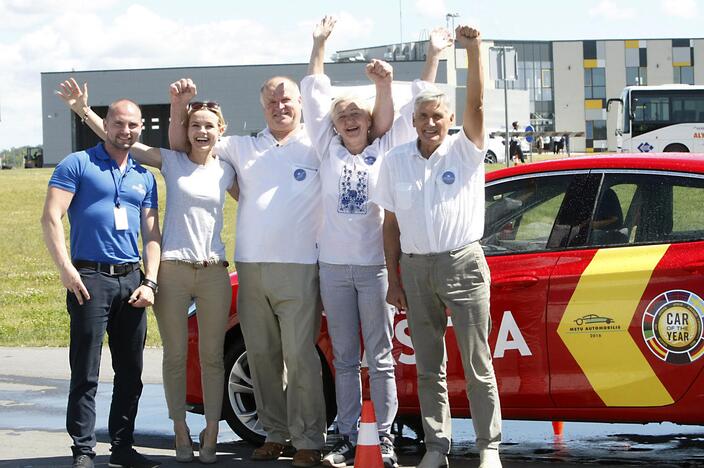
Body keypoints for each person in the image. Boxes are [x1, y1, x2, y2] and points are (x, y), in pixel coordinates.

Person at [56, 78, 238, 464]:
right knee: (171, 356)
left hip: (211, 270)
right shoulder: (168, 162)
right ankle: (178, 432)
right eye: (194, 125)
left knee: (211, 358)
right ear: (184, 132)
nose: (201, 131)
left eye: (209, 126)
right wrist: (82, 110)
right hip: (169, 269)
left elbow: (264, 199)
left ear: (220, 131)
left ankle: (209, 432)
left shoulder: (228, 169)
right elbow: (124, 139)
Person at [301, 16, 453, 468]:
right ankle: (348, 434)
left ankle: (381, 436)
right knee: (345, 358)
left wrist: (432, 57)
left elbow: (416, 105)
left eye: (356, 114)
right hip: (333, 268)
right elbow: (312, 94)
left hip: (374, 269)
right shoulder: (325, 149)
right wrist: (319, 43)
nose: (348, 118)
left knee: (381, 357)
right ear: (334, 126)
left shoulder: (385, 151)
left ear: (370, 123)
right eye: (341, 115)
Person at [169, 78, 325, 467]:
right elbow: (183, 143)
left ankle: (309, 438)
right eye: (271, 100)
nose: (279, 106)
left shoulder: (318, 143)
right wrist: (182, 105)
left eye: (286, 99)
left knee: (301, 357)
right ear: (262, 106)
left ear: (300, 102)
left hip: (301, 265)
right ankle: (276, 433)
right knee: (262, 355)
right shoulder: (241, 146)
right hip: (251, 267)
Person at [374, 25, 503, 468]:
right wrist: (394, 278)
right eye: (423, 116)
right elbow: (389, 225)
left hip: (462, 264)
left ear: (450, 120)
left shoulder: (466, 150)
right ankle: (436, 447)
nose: (430, 123)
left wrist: (473, 52)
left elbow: (478, 102)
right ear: (412, 120)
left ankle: (489, 447)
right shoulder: (395, 161)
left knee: (476, 362)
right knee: (429, 366)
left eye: (438, 116)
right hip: (414, 268)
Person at [41, 98, 162, 468]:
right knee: (86, 369)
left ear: (141, 128)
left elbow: (153, 234)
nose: (125, 131)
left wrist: (151, 282)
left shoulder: (144, 177)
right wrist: (65, 268)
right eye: (119, 124)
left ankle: (122, 447)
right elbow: (50, 217)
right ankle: (83, 450)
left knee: (131, 371)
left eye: (133, 126)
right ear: (105, 124)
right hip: (88, 278)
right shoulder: (77, 163)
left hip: (131, 280)